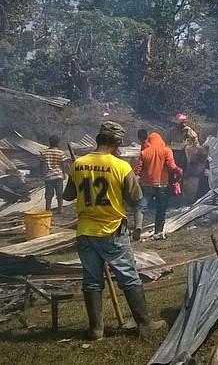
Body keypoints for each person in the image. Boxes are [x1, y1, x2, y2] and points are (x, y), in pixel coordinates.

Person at [63, 121, 165, 340]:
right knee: (128, 277)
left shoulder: (78, 164)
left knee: (91, 281)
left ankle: (96, 330)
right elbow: (136, 198)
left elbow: (68, 195)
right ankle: (145, 325)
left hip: (86, 231)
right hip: (113, 231)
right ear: (117, 142)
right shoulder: (120, 166)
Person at [134, 132, 183, 241]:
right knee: (161, 208)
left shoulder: (144, 152)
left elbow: (137, 170)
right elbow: (172, 166)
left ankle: (138, 226)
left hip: (146, 184)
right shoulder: (166, 150)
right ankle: (158, 232)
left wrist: (136, 181)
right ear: (161, 141)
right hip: (162, 185)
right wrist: (179, 171)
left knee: (141, 206)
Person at [40, 135, 68, 213]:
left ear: (49, 142)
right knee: (59, 193)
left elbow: (41, 164)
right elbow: (63, 164)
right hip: (58, 176)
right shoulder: (60, 153)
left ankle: (48, 210)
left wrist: (41, 174)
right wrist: (64, 173)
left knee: (48, 194)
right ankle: (60, 209)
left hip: (48, 176)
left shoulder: (44, 153)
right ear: (58, 143)